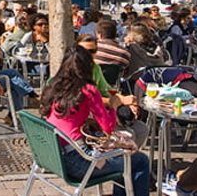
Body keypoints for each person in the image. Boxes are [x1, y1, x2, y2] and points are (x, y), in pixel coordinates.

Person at [40, 46, 151, 196]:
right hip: (79, 162)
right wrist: (114, 104)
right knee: (139, 161)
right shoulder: (88, 90)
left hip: (54, 157)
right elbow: (108, 128)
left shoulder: (54, 86)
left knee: (122, 158)